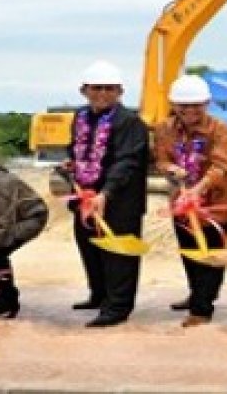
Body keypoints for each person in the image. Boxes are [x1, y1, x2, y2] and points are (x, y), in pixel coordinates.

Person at [65, 60, 149, 328]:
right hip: (85, 197)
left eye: (109, 89)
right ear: (84, 90)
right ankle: (99, 295)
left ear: (120, 91)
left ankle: (118, 307)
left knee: (118, 255)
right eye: (96, 88)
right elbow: (77, 149)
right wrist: (72, 165)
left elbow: (128, 161)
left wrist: (107, 192)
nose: (102, 93)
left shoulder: (130, 122)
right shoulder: (80, 117)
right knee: (89, 246)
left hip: (119, 201)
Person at [153, 75, 227, 327]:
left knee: (212, 255)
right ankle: (196, 294)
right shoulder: (163, 129)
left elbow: (222, 165)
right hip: (181, 201)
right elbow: (160, 160)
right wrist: (171, 168)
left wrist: (198, 189)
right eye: (183, 105)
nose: (190, 110)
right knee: (190, 251)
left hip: (217, 201)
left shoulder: (221, 129)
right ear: (173, 104)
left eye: (196, 105)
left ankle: (202, 310)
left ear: (207, 103)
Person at [0, 153, 48, 318]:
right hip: (5, 219)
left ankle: (5, 302)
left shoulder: (3, 184)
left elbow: (2, 223)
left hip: (30, 219)